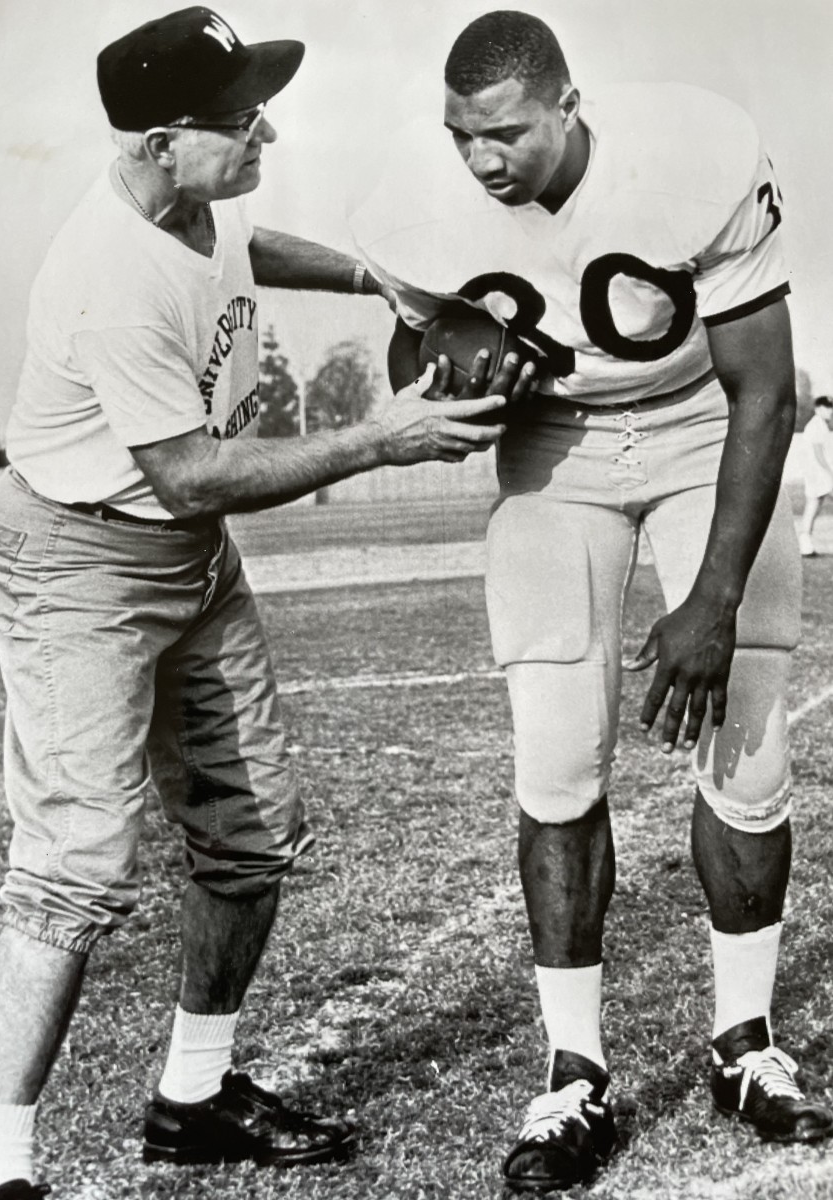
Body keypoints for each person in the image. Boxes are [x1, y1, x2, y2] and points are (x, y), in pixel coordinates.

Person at [0, 9, 533, 1200]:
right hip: (82, 562)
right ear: (163, 142)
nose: (264, 127)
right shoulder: (105, 274)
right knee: (77, 862)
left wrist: (387, 281)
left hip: (185, 557)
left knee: (252, 833)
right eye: (239, 120)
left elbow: (249, 248)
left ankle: (195, 1097)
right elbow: (192, 474)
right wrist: (381, 438)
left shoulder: (194, 201)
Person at [350, 9, 833, 1193]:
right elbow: (421, 368)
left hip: (705, 427)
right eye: (462, 136)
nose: (482, 160)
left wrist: (712, 600)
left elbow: (763, 391)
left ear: (570, 106)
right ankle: (575, 1071)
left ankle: (745, 1042)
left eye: (505, 132)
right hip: (557, 449)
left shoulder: (692, 150)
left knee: (749, 745)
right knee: (557, 758)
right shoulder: (406, 203)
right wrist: (452, 359)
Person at [799, 395, 833, 556]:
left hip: (818, 474)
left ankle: (805, 543)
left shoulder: (822, 425)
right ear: (818, 409)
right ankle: (805, 542)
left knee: (813, 506)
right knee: (813, 506)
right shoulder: (816, 425)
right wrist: (831, 473)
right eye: (827, 407)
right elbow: (818, 454)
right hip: (818, 474)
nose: (830, 410)